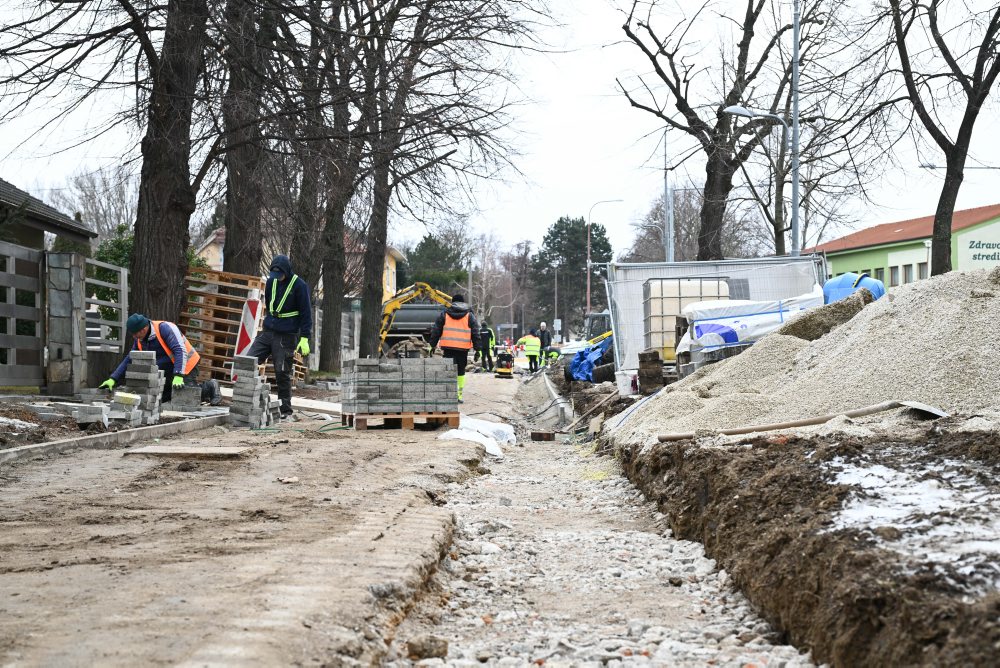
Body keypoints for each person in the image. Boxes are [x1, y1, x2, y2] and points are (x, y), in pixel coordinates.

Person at [100, 313, 220, 404]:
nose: (134, 336)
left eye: (135, 333)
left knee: (184, 396)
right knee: (163, 399)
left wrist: (178, 375)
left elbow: (180, 350)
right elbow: (130, 358)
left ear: (143, 329)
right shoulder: (140, 340)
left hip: (186, 364)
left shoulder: (165, 328)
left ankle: (210, 387)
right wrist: (113, 379)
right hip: (168, 370)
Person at [246, 255, 312, 419]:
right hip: (269, 331)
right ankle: (247, 403)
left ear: (287, 271)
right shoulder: (271, 281)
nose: (277, 278)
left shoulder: (299, 285)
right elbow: (269, 302)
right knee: (248, 361)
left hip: (286, 335)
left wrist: (304, 337)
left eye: (280, 275)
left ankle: (285, 411)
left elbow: (306, 314)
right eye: (274, 274)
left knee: (282, 373)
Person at [429, 293, 481, 403]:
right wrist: (478, 349)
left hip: (448, 348)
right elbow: (475, 333)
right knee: (461, 371)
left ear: (452, 302)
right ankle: (459, 396)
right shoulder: (469, 315)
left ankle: (449, 395)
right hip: (463, 349)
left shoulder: (445, 314)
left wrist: (432, 345)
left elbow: (436, 330)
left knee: (449, 371)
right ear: (463, 302)